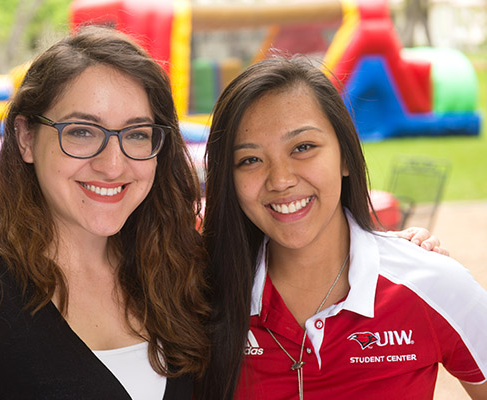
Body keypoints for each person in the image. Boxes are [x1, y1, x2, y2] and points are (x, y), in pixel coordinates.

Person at [0, 26, 210, 399]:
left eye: (137, 134)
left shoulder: (179, 277)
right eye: (82, 132)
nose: (112, 165)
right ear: (25, 138)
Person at [198, 55, 487, 399]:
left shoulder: (433, 283)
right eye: (250, 160)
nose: (280, 179)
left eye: (303, 147)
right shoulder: (198, 296)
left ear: (346, 157)